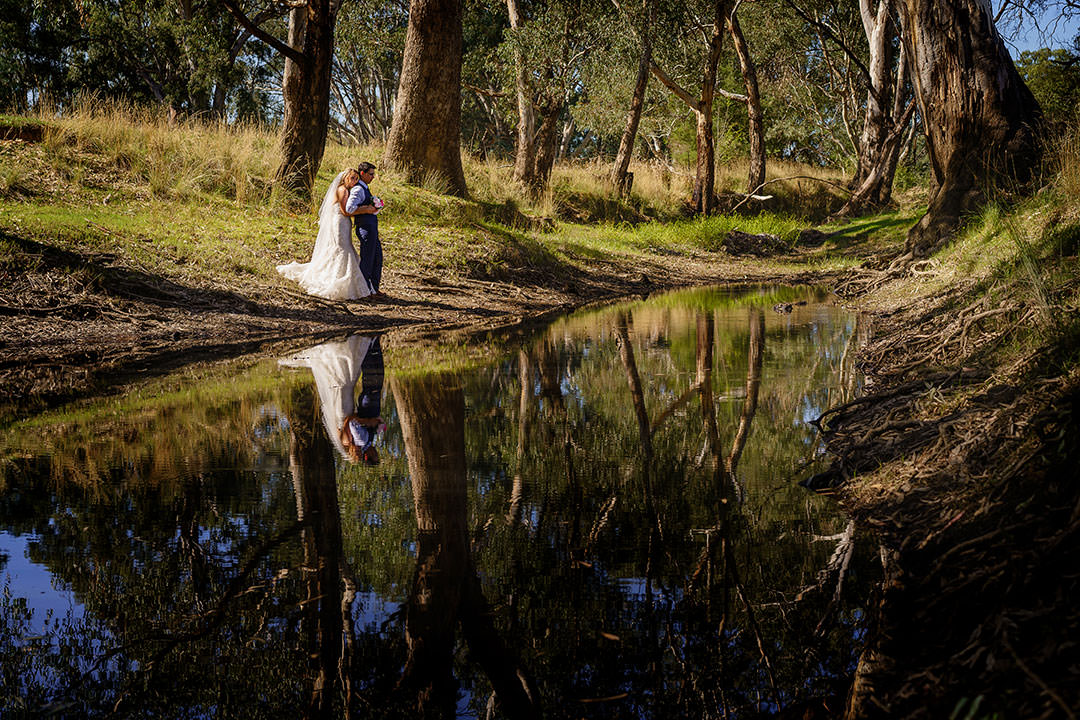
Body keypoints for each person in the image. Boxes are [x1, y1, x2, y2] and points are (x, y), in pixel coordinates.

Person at [276, 169, 373, 300]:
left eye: (356, 179)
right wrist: (365, 210)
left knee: (341, 248)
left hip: (344, 223)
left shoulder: (346, 190)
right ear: (345, 178)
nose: (354, 181)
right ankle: (335, 277)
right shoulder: (342, 190)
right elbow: (346, 212)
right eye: (352, 178)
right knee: (342, 249)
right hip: (340, 222)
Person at [340, 335, 384, 465]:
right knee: (378, 373)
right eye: (377, 455)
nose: (376, 453)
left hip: (368, 404)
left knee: (371, 374)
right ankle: (374, 343)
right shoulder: (369, 441)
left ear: (367, 457)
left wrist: (369, 421)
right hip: (373, 402)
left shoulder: (361, 440)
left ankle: (365, 345)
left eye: (374, 456)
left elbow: (352, 423)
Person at [345, 162, 385, 297]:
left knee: (377, 257)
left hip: (372, 227)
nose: (373, 177)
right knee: (367, 259)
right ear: (362, 173)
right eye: (371, 174)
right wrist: (367, 209)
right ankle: (363, 290)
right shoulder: (358, 189)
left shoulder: (364, 188)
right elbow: (349, 209)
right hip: (365, 228)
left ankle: (373, 287)